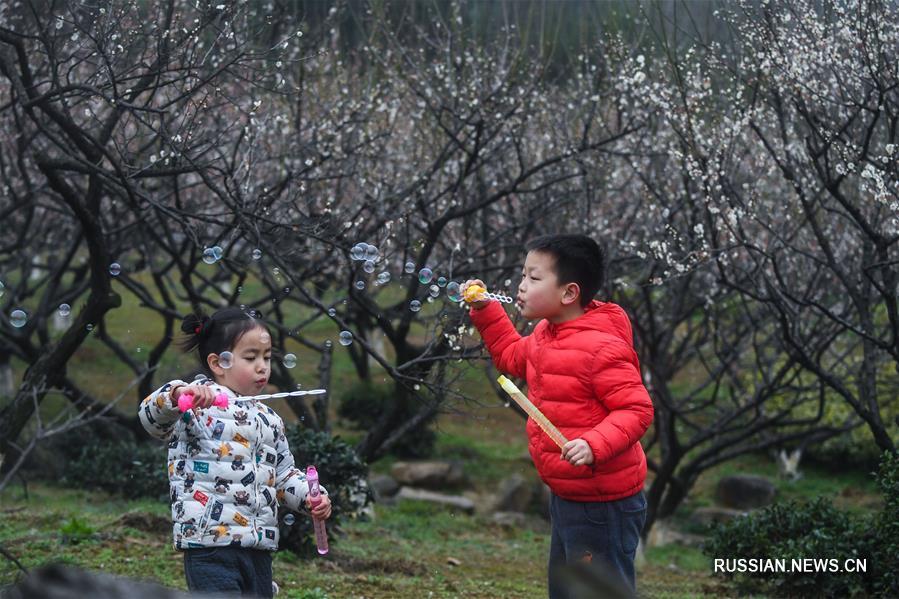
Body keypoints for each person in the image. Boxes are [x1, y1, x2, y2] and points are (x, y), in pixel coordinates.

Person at [463, 234, 653, 598]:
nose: (520, 287)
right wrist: (486, 309)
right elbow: (511, 356)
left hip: (604, 503)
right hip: (568, 494)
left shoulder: (601, 348)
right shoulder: (546, 335)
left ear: (569, 293)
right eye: (523, 276)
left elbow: (636, 409)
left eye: (534, 279)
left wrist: (593, 444)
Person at [138, 307, 331, 598]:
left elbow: (282, 475)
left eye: (266, 357)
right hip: (209, 543)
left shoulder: (269, 418)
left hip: (258, 545)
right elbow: (151, 418)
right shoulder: (194, 405)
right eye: (251, 357)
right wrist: (178, 395)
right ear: (218, 363)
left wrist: (309, 496)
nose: (262, 367)